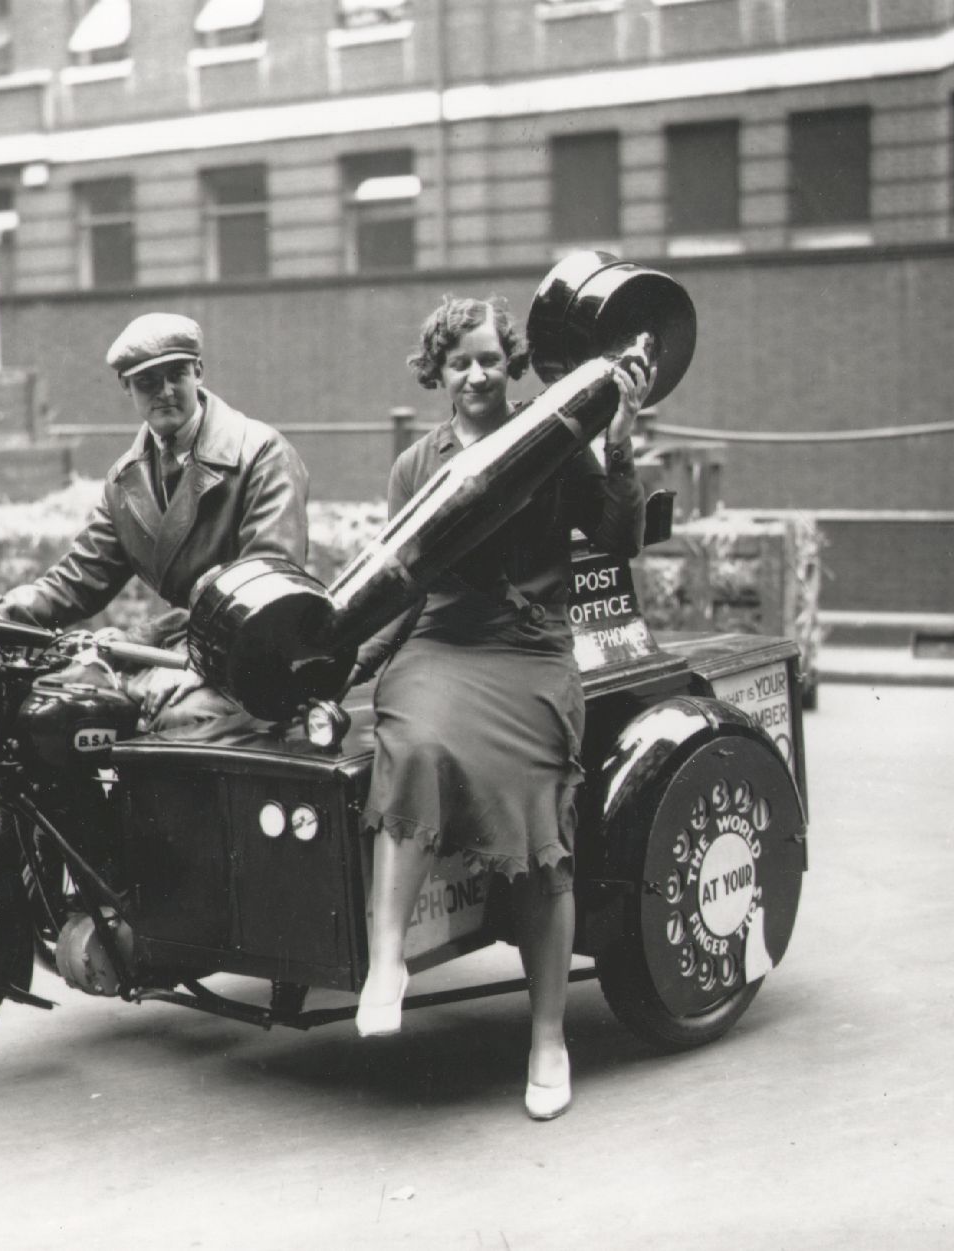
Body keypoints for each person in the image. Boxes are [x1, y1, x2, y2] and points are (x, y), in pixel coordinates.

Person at [350, 295, 649, 1120]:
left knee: (540, 818)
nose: (476, 373)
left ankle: (548, 1036)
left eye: (489, 358)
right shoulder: (415, 465)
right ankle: (388, 964)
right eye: (460, 362)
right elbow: (399, 586)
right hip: (441, 646)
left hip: (530, 654)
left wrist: (617, 437)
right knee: (409, 746)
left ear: (509, 363)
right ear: (437, 374)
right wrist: (355, 662)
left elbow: (618, 537)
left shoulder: (551, 440)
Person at [0, 311, 309, 736]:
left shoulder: (261, 455)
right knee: (51, 706)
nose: (164, 393)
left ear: (199, 371)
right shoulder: (126, 479)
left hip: (252, 659)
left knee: (178, 721)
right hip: (172, 652)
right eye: (146, 382)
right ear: (127, 388)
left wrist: (187, 659)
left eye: (176, 374)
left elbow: (267, 590)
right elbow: (79, 578)